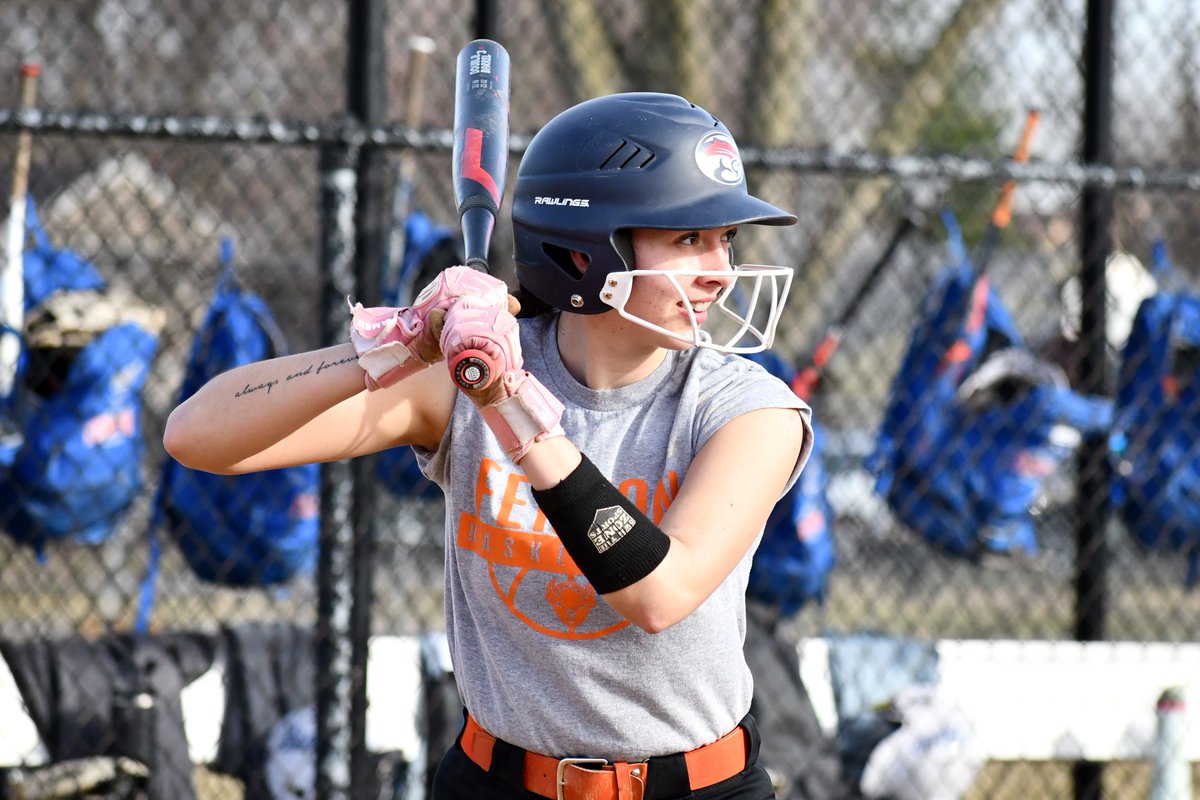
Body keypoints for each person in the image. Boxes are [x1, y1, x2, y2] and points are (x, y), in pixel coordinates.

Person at [164, 91, 813, 800]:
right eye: (688, 239)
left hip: (697, 787)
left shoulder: (748, 408)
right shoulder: (460, 380)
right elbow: (199, 436)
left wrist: (510, 405)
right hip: (494, 782)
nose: (720, 267)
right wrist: (398, 341)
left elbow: (659, 593)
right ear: (586, 248)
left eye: (725, 239)